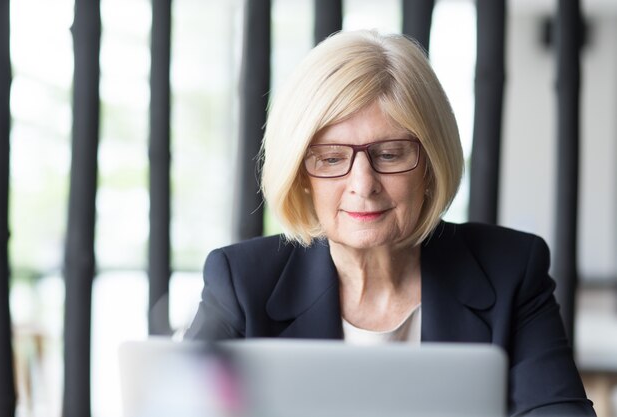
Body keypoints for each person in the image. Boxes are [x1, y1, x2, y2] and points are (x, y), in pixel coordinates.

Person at [185, 30, 595, 416]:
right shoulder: (240, 281)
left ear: (430, 166)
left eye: (391, 154)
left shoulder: (511, 271)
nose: (362, 186)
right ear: (300, 175)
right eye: (331, 159)